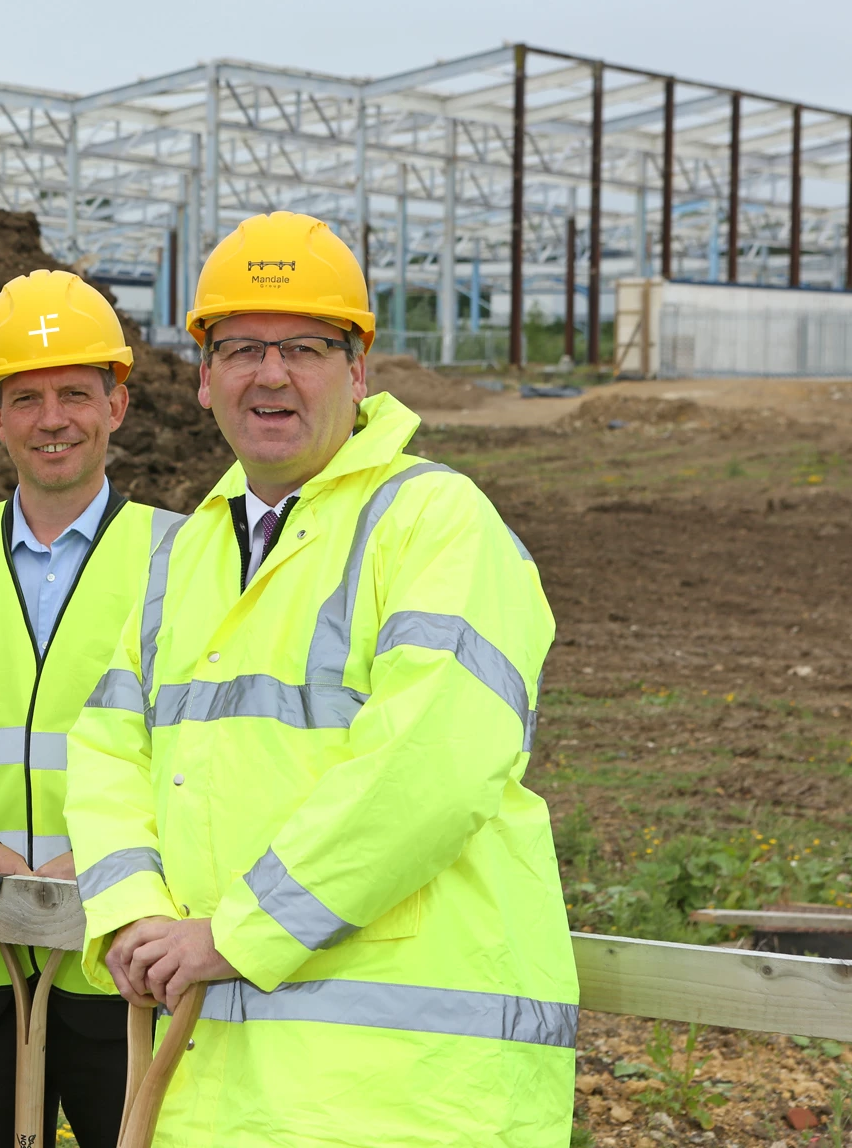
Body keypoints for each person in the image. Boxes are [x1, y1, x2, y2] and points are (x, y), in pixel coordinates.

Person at [64, 212, 577, 1146]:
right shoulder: (190, 556)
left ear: (359, 369)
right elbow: (107, 747)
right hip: (219, 1084)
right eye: (243, 348)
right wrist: (135, 918)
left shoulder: (434, 522)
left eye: (304, 346)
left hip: (404, 1095)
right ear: (206, 377)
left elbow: (430, 764)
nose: (271, 373)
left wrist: (233, 933)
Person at [0, 270, 184, 1148]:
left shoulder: (187, 557)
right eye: (26, 398)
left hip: (126, 966)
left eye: (74, 394)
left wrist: (95, 861)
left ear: (117, 405)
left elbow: (214, 755)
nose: (52, 419)